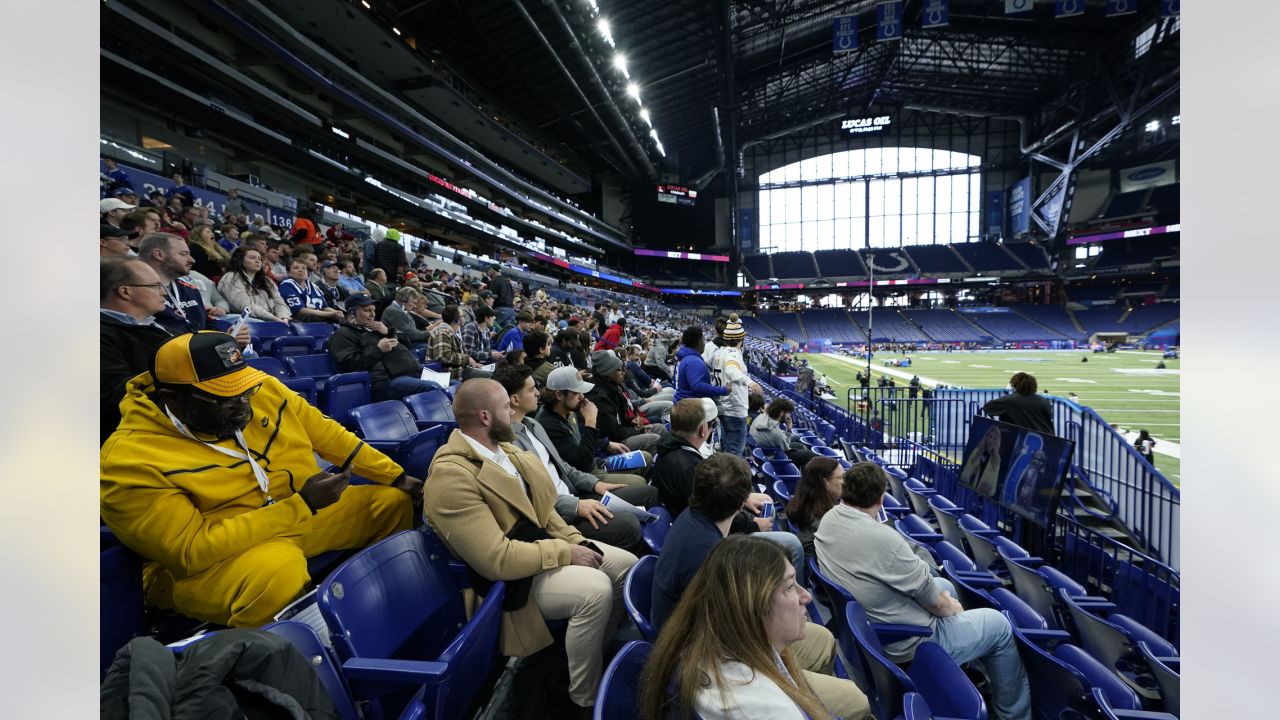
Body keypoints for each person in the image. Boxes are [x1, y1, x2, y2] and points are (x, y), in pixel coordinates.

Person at [100, 331, 420, 628]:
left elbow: (331, 436)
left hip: (290, 516)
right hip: (211, 563)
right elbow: (190, 553)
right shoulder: (127, 460)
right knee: (279, 571)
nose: (244, 403)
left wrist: (397, 476)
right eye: (223, 397)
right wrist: (301, 505)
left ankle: (377, 615)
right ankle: (275, 664)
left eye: (244, 389)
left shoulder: (258, 389)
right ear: (171, 397)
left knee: (390, 503)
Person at [423, 379, 638, 715]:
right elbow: (496, 560)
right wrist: (566, 552)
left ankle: (578, 657)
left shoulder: (506, 451)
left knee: (625, 565)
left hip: (537, 548)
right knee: (596, 589)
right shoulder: (450, 477)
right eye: (505, 408)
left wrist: (574, 540)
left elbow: (546, 513)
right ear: (484, 417)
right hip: (506, 583)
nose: (514, 411)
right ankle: (581, 699)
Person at [648, 455, 868, 720]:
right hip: (715, 655)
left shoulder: (694, 521)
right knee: (856, 700)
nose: (805, 596)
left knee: (822, 639)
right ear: (741, 503)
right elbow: (735, 631)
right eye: (789, 587)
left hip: (705, 650)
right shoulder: (707, 554)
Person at [815, 462, 1031, 720]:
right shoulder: (883, 538)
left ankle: (958, 672)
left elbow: (930, 589)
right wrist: (952, 609)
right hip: (907, 640)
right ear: (881, 498)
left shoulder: (829, 519)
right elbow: (938, 604)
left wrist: (944, 602)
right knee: (998, 625)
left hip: (875, 620)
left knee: (945, 586)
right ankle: (1014, 716)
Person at [641, 536, 847, 720]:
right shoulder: (773, 710)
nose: (806, 596)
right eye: (790, 587)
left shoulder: (703, 639)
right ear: (753, 607)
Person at [497, 365, 658, 552]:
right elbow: (538, 495)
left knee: (649, 492)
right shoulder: (514, 441)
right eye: (532, 389)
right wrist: (591, 422)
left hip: (578, 488)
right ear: (515, 399)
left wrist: (594, 484)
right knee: (630, 522)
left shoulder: (532, 425)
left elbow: (563, 466)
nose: (538, 394)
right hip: (562, 512)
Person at [535, 366, 647, 485]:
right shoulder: (549, 425)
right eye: (576, 392)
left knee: (645, 458)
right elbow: (582, 464)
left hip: (594, 464)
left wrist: (606, 444)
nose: (582, 397)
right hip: (584, 479)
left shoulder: (568, 411)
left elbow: (581, 437)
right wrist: (591, 421)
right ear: (559, 395)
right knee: (639, 482)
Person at [329, 295, 444, 401]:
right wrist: (378, 350)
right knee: (433, 388)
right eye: (367, 310)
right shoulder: (341, 334)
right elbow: (350, 365)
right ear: (352, 312)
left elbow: (407, 343)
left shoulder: (375, 329)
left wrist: (388, 331)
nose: (373, 314)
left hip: (409, 374)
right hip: (384, 382)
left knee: (454, 385)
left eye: (373, 310)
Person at [586, 350, 662, 452]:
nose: (624, 372)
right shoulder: (599, 398)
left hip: (624, 430)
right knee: (654, 439)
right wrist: (638, 430)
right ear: (610, 373)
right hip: (614, 442)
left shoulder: (614, 387)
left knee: (659, 428)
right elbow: (614, 432)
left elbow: (621, 416)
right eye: (620, 370)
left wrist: (631, 420)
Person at [137, 233, 208, 335]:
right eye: (183, 254)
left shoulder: (190, 289)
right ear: (159, 255)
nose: (192, 260)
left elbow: (207, 323)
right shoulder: (137, 292)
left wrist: (228, 332)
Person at [709, 314, 760, 456]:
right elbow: (732, 370)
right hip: (735, 410)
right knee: (734, 453)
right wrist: (749, 382)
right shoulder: (733, 354)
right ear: (741, 339)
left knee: (725, 448)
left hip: (723, 407)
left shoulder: (719, 352)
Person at [785, 456, 843, 559]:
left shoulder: (804, 504)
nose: (844, 482)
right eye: (840, 477)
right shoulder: (825, 521)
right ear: (825, 483)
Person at [217, 247, 292, 322]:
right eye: (252, 258)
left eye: (259, 259)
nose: (257, 261)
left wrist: (283, 317)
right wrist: (274, 319)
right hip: (244, 322)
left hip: (272, 319)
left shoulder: (267, 281)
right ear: (240, 260)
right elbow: (247, 307)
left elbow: (279, 302)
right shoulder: (231, 277)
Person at [750, 398, 817, 469]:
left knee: (799, 446)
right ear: (781, 413)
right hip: (773, 456)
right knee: (809, 455)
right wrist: (789, 430)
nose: (789, 416)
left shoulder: (761, 417)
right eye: (788, 413)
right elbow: (787, 448)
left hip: (763, 450)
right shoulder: (776, 432)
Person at [429, 304, 491, 381]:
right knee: (489, 377)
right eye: (463, 316)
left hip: (458, 369)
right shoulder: (443, 332)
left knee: (489, 372)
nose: (464, 318)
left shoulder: (454, 332)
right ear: (457, 320)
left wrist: (472, 363)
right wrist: (467, 359)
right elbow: (444, 356)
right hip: (448, 373)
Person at [982, 372, 1054, 435]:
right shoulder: (1044, 401)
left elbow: (987, 407)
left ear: (1015, 385)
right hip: (1044, 439)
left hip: (1018, 438)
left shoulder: (1009, 400)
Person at [674, 326, 728, 405]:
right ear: (699, 341)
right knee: (722, 409)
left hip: (683, 401)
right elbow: (697, 386)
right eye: (703, 340)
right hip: (688, 407)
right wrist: (723, 390)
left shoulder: (687, 356)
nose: (704, 343)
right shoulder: (693, 361)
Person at [278, 259, 344, 323]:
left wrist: (336, 312)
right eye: (296, 268)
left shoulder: (313, 286)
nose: (300, 270)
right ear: (289, 273)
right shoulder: (286, 285)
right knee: (315, 318)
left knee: (341, 320)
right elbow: (300, 310)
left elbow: (324, 307)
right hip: (299, 318)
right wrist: (329, 314)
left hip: (319, 315)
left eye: (304, 268)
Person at [485, 265, 516, 332]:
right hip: (511, 310)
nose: (488, 273)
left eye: (489, 271)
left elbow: (491, 297)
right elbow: (512, 296)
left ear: (492, 271)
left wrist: (488, 311)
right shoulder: (507, 282)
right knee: (503, 333)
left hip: (501, 310)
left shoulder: (495, 280)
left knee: (489, 328)